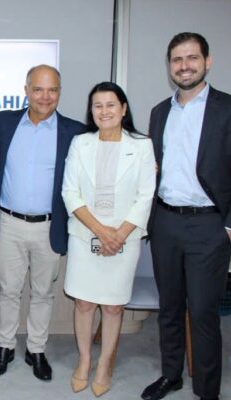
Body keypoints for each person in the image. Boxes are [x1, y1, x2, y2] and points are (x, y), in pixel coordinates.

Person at [141, 32, 231, 400]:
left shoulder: (227, 108)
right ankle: (171, 375)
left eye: (192, 58)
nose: (184, 66)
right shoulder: (160, 111)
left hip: (209, 224)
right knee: (170, 308)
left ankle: (207, 391)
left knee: (204, 313)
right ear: (169, 66)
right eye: (177, 59)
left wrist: (228, 225)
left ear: (207, 62)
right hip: (165, 222)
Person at [0, 65, 85, 379]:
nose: (45, 96)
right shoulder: (4, 122)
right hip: (9, 224)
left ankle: (36, 349)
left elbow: (109, 146)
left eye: (52, 89)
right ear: (26, 90)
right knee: (8, 290)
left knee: (43, 292)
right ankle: (5, 346)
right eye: (38, 89)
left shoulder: (75, 131)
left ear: (59, 92)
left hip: (49, 226)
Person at [62, 81, 155, 397]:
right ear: (91, 111)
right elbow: (70, 192)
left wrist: (119, 235)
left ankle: (104, 365)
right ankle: (84, 361)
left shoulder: (141, 146)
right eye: (97, 105)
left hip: (125, 239)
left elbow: (145, 196)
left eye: (111, 104)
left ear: (123, 108)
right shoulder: (81, 143)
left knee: (114, 307)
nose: (104, 111)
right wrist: (102, 232)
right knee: (84, 302)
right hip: (84, 235)